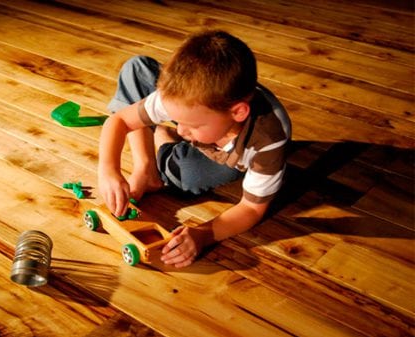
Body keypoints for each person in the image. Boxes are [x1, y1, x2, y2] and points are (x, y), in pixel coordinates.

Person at [98, 30, 291, 268]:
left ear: (238, 112)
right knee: (135, 69)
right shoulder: (185, 97)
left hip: (231, 158)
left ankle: (161, 138)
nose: (181, 131)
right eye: (177, 120)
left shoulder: (268, 141)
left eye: (192, 125)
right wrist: (108, 170)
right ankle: (146, 169)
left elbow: (251, 208)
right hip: (202, 114)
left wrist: (203, 234)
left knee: (187, 177)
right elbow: (119, 121)